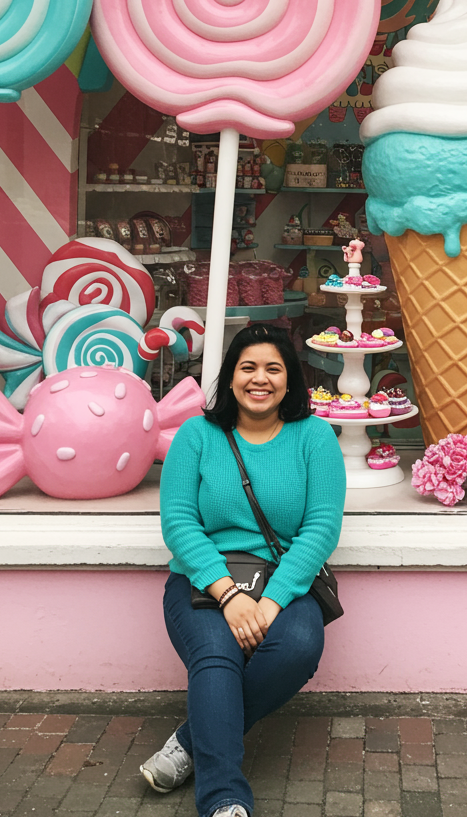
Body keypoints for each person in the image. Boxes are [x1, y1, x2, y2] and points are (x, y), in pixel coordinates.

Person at [143, 322, 346, 817]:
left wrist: (270, 601)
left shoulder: (315, 437)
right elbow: (179, 524)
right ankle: (224, 798)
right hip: (202, 581)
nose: (261, 379)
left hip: (286, 581)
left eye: (273, 368)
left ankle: (191, 741)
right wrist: (230, 596)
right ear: (230, 378)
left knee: (297, 645)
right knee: (216, 655)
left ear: (290, 379)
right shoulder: (196, 435)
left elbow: (320, 530)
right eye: (248, 367)